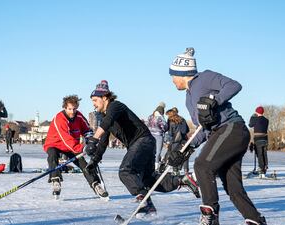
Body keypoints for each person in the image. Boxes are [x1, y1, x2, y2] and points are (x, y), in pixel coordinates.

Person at [168, 47, 266, 225]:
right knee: (233, 188)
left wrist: (214, 100)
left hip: (232, 128)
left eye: (173, 75)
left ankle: (210, 215)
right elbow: (202, 129)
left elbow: (234, 85)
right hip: (220, 135)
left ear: (182, 73)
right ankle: (256, 220)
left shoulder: (204, 78)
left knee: (203, 165)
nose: (172, 80)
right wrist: (185, 148)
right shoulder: (188, 99)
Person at [85, 80, 200, 218]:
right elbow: (103, 142)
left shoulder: (115, 106)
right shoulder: (106, 118)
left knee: (125, 171)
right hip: (144, 143)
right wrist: (94, 161)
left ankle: (146, 203)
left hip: (142, 141)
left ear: (105, 98)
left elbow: (107, 122)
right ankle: (182, 180)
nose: (93, 104)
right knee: (149, 179)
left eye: (95, 100)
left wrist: (93, 139)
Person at [43, 95, 108, 199]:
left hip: (71, 147)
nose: (72, 112)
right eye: (69, 109)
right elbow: (66, 139)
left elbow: (87, 130)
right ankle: (56, 181)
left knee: (83, 163)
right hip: (55, 144)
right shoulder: (59, 119)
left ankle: (96, 185)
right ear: (65, 108)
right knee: (52, 155)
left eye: (74, 109)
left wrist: (90, 142)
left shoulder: (79, 117)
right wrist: (82, 148)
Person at [163, 108, 190, 175]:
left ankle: (175, 171)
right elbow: (187, 130)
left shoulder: (170, 121)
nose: (168, 116)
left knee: (174, 156)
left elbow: (170, 133)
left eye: (168, 115)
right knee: (185, 155)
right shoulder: (182, 119)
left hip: (175, 141)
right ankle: (186, 171)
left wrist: (167, 141)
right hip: (184, 140)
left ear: (170, 114)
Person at [249, 106, 269, 178]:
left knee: (259, 154)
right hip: (265, 139)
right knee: (264, 154)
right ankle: (265, 167)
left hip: (258, 139)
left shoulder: (255, 119)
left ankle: (261, 169)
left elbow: (250, 125)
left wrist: (252, 117)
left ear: (257, 112)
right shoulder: (266, 120)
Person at [146, 102, 167, 170]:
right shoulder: (160, 118)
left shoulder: (150, 116)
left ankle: (150, 165)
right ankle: (156, 166)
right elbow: (165, 127)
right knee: (158, 152)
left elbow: (147, 125)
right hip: (158, 136)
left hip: (150, 135)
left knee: (151, 151)